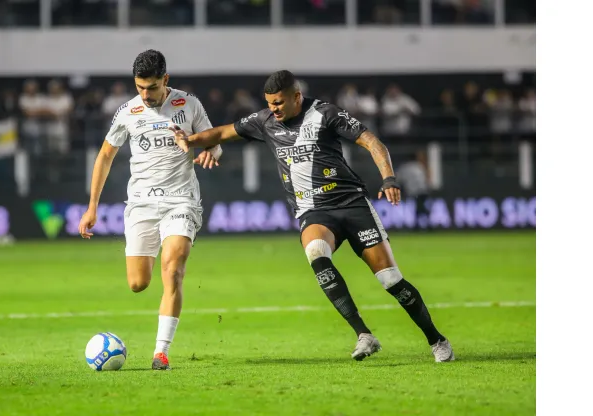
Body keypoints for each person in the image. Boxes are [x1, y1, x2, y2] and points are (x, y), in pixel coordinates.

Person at [172, 70, 454, 362]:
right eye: (269, 103)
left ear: (297, 96)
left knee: (390, 280)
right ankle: (364, 335)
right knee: (316, 252)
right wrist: (190, 140)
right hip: (313, 210)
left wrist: (389, 179)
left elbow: (373, 142)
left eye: (279, 103)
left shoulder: (326, 113)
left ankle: (437, 339)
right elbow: (221, 133)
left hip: (351, 203)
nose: (274, 109)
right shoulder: (265, 121)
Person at [77, 50, 223, 370]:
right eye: (140, 87)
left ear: (165, 80)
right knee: (138, 283)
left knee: (173, 269)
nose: (145, 94)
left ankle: (161, 353)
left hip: (181, 199)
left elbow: (215, 139)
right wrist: (92, 208)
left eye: (152, 87)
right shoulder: (128, 111)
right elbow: (104, 156)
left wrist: (210, 149)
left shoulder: (189, 104)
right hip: (141, 202)